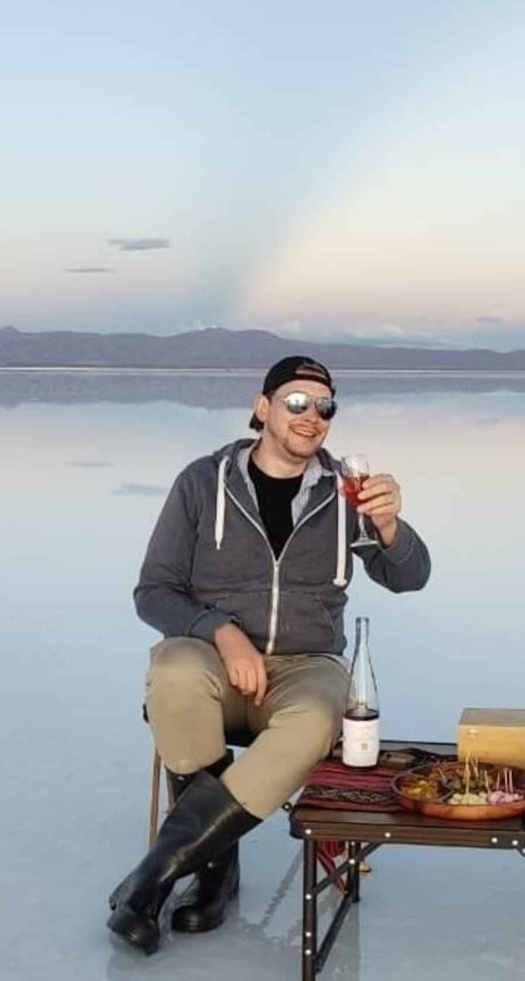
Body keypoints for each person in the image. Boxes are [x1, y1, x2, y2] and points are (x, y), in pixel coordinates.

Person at [108, 355, 432, 954]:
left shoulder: (344, 493)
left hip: (307, 666)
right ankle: (216, 869)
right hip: (217, 661)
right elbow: (152, 592)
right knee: (174, 671)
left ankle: (156, 873)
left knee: (313, 719)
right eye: (297, 403)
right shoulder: (203, 482)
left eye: (325, 407)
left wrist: (390, 529)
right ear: (263, 408)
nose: (312, 417)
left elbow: (409, 578)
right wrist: (222, 633)